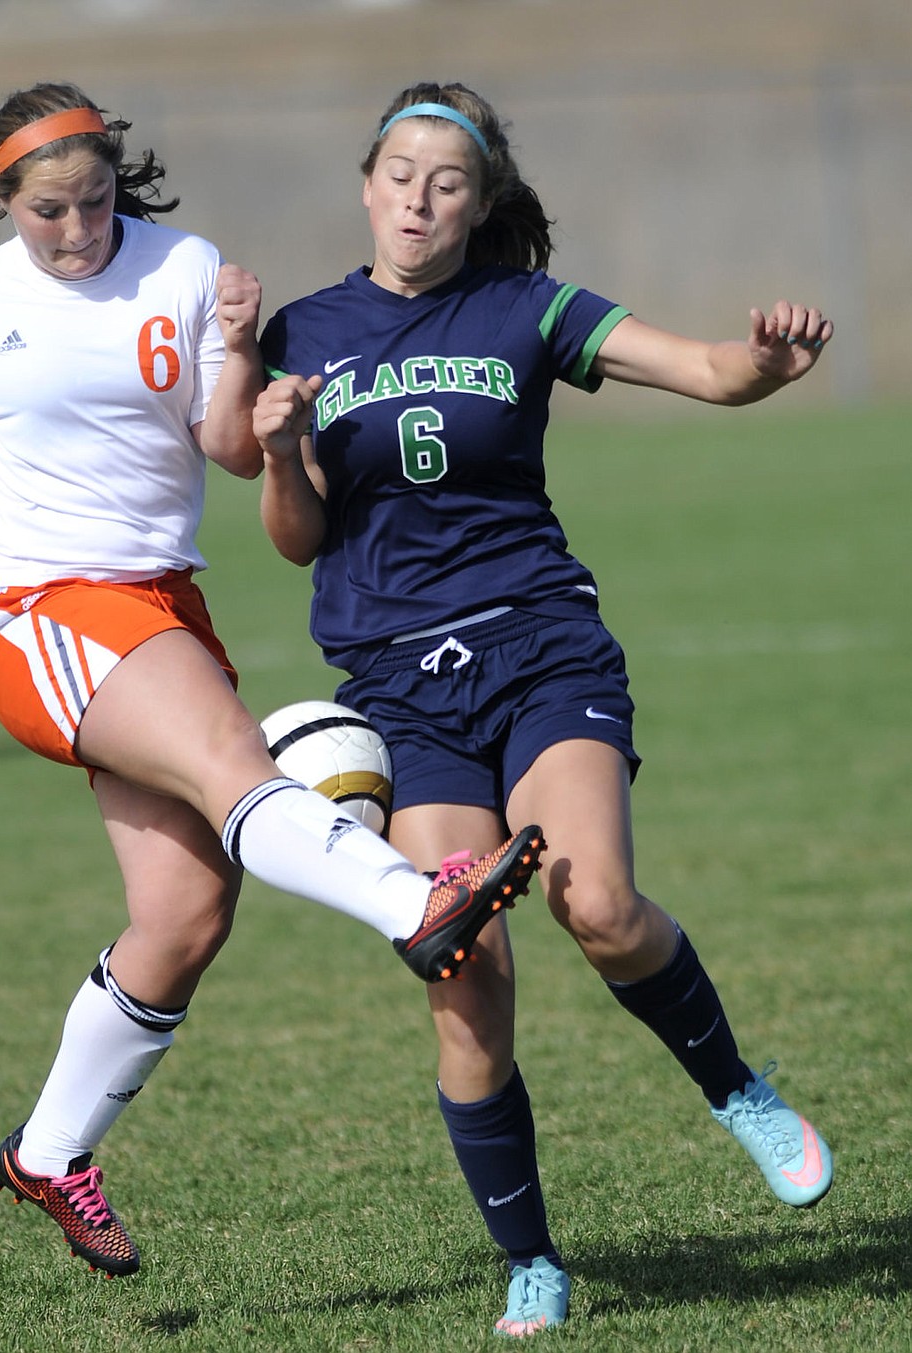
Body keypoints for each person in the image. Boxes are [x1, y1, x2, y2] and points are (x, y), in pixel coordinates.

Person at [0, 81, 545, 1281]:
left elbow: (229, 454)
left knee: (184, 918)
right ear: (3, 204)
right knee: (241, 769)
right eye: (45, 213)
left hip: (162, 600)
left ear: (117, 182)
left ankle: (51, 1150)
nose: (73, 231)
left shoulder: (184, 268)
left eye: (91, 203)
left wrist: (239, 352)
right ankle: (412, 903)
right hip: (37, 605)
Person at [254, 81, 835, 1339]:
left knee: (600, 903)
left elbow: (704, 370)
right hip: (400, 690)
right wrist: (284, 447)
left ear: (480, 203)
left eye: (447, 180)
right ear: (366, 184)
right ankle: (532, 1261)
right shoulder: (303, 330)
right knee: (467, 969)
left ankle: (738, 1089)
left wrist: (766, 365)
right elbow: (296, 540)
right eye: (400, 173)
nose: (419, 196)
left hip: (539, 643)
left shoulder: (528, 309)